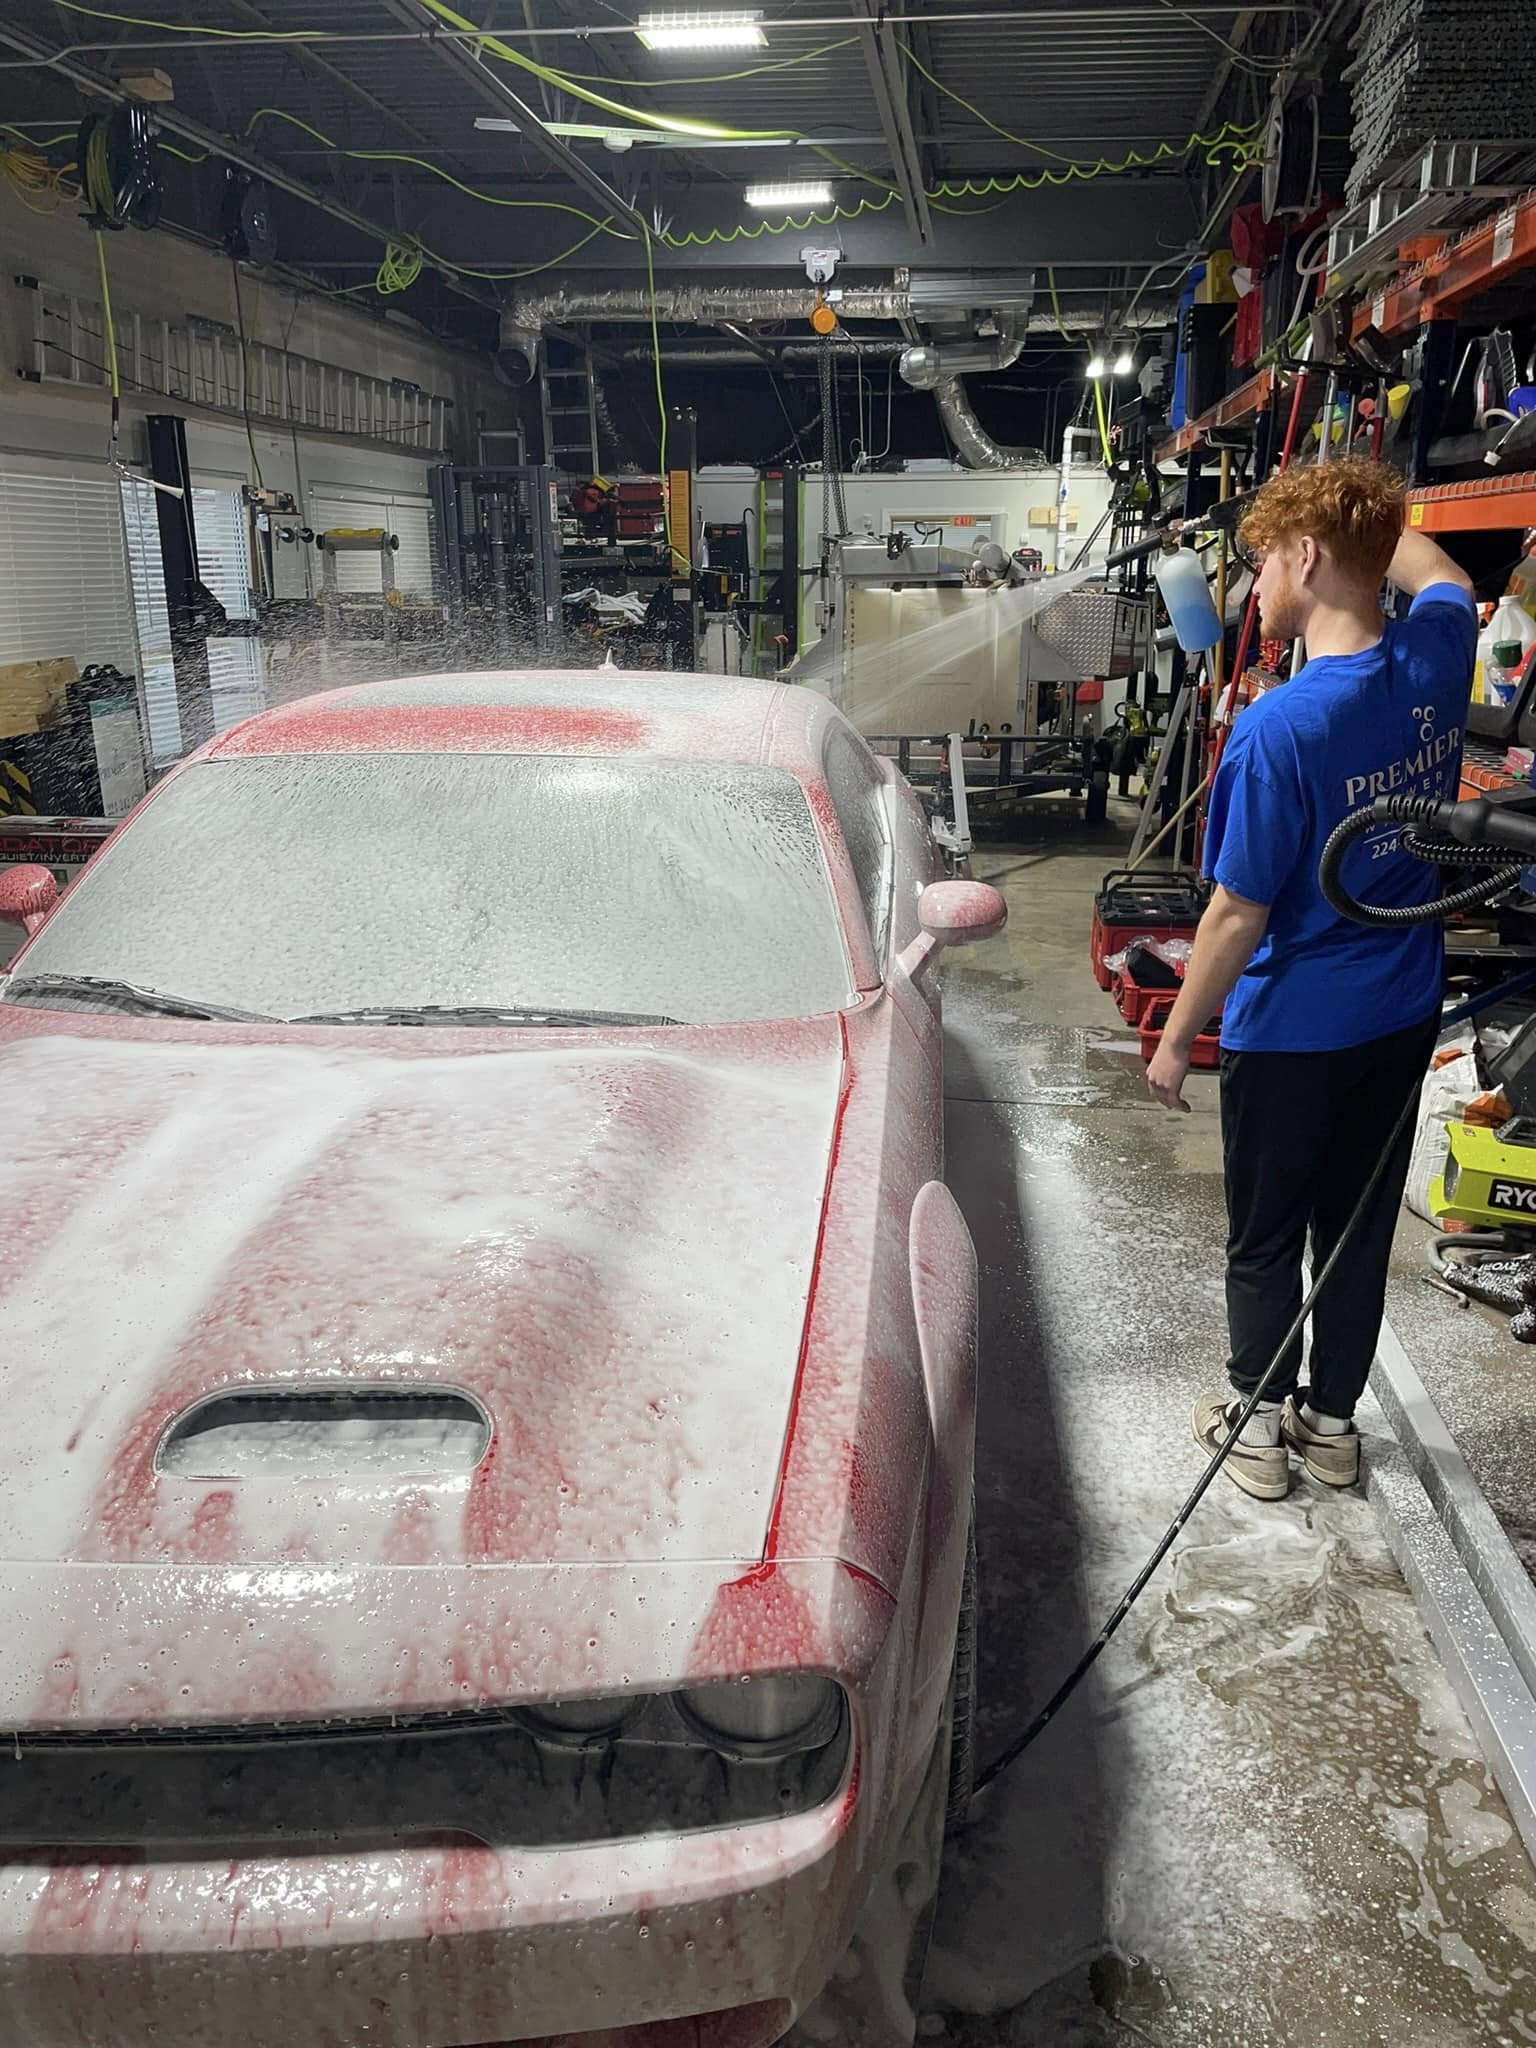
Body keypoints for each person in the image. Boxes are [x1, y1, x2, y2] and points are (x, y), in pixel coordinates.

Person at [1145, 457, 1476, 1500]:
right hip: (1401, 1010)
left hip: (1291, 1028)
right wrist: (1372, 526)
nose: (1250, 591)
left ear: (1306, 557)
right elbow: (1447, 576)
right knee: (1357, 1229)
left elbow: (1237, 912)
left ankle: (1252, 1422)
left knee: (1267, 1232)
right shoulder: (1437, 653)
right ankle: (1331, 1424)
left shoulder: (1277, 728)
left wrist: (1171, 1038)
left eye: (1260, 564)